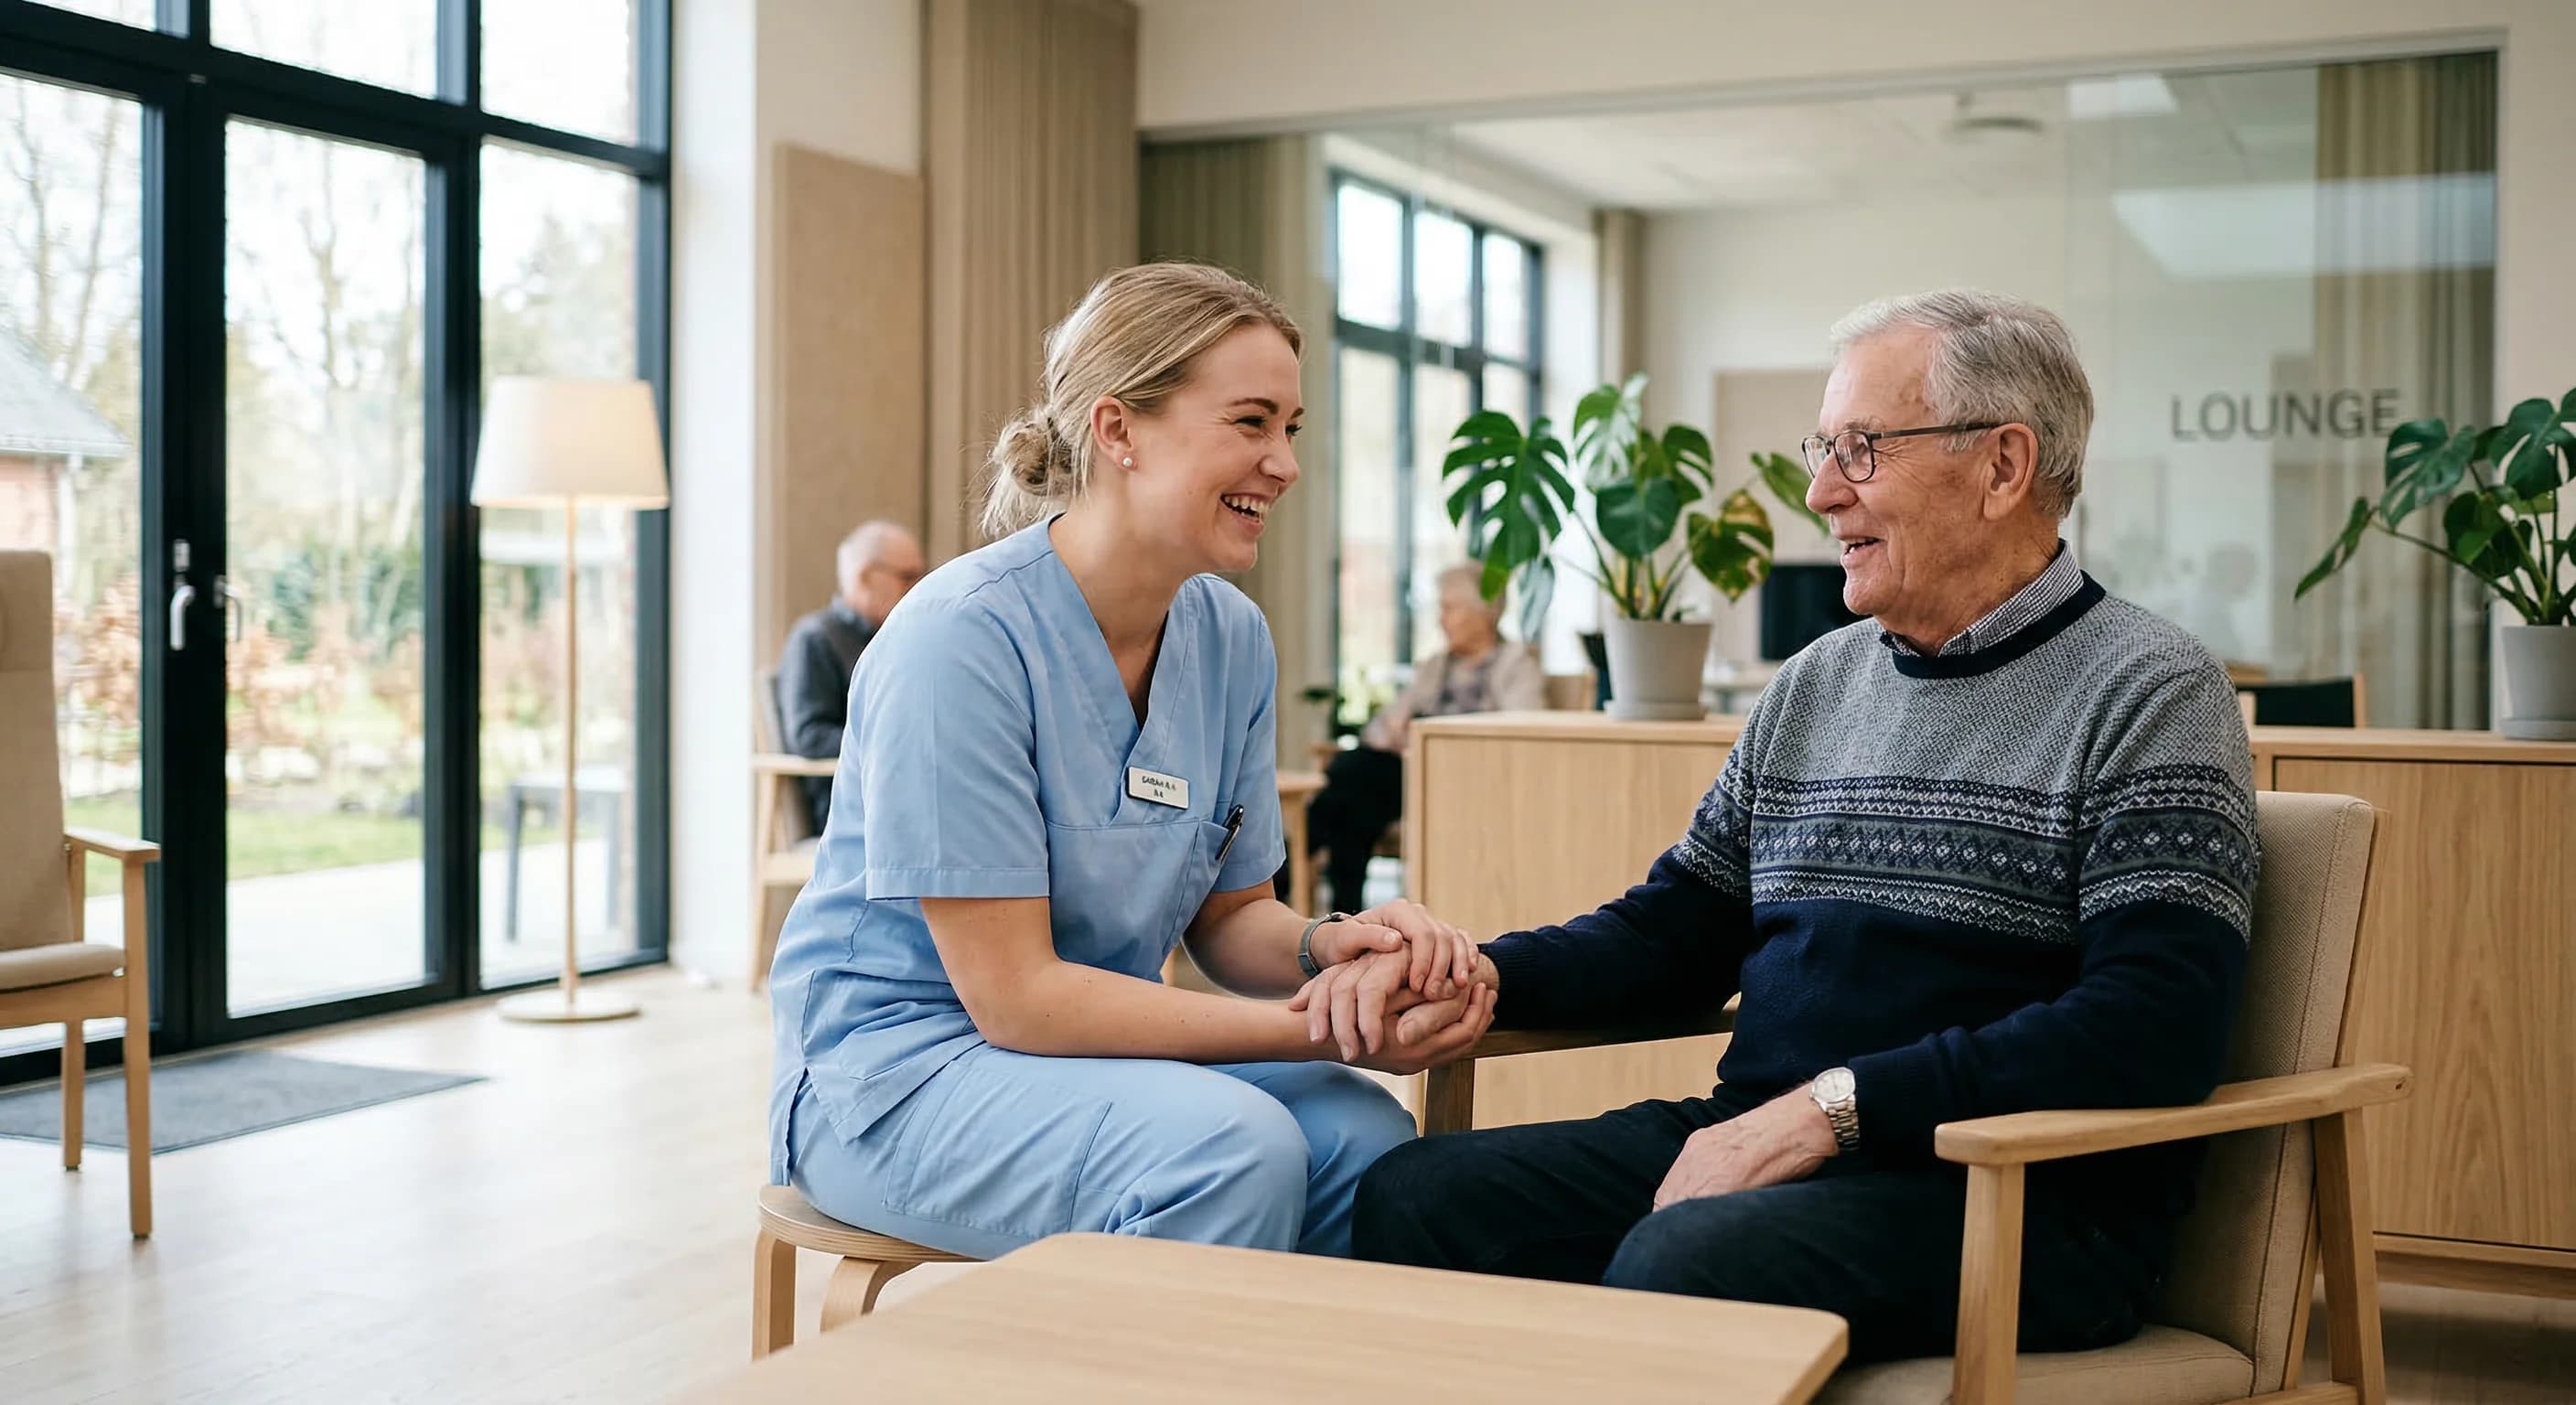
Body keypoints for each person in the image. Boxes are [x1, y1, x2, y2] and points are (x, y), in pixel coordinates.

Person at [1332, 289, 2260, 1364]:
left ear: (2003, 467)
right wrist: (1472, 974)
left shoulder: (2150, 690)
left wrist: (1833, 1108)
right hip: (1774, 1141)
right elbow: (1671, 934)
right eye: (1825, 447)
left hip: (2017, 1200)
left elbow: (2154, 1023)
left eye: (1860, 449)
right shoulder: (1814, 683)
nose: (1820, 493)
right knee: (1415, 1197)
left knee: (1687, 1261)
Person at [767, 262, 1497, 1264]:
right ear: (1117, 432)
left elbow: (1232, 919)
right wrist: (1326, 1030)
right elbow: (1016, 997)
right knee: (1225, 1152)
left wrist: (1335, 953)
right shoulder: (959, 640)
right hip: (898, 1077)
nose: (1283, 463)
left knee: (1362, 1139)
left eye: (1290, 428)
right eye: (1249, 423)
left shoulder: (1229, 637)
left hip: (1086, 1053)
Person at [1299, 565, 1546, 911]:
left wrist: (1440, 740)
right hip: (1407, 774)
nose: (1441, 620)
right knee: (1355, 801)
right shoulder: (1435, 665)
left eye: (1450, 608)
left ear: (1486, 612)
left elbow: (1522, 733)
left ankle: (1301, 880)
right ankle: (1345, 913)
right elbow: (1379, 729)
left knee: (1352, 781)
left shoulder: (1515, 664)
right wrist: (1400, 732)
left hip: (1465, 781)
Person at [776, 520, 927, 833]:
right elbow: (810, 737)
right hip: (850, 804)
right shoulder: (816, 639)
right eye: (908, 577)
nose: (919, 587)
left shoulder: (897, 638)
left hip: (898, 793)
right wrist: (895, 743)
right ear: (865, 578)